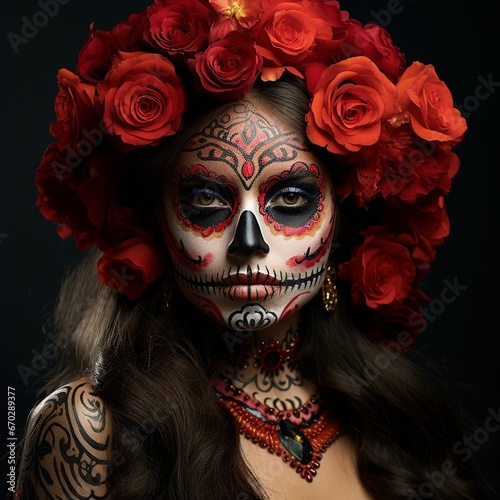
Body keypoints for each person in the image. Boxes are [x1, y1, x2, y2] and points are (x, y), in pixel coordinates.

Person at [15, 0, 487, 498]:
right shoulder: (89, 431)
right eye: (204, 200)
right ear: (155, 223)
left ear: (342, 221)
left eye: (289, 199)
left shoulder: (401, 421)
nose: (248, 242)